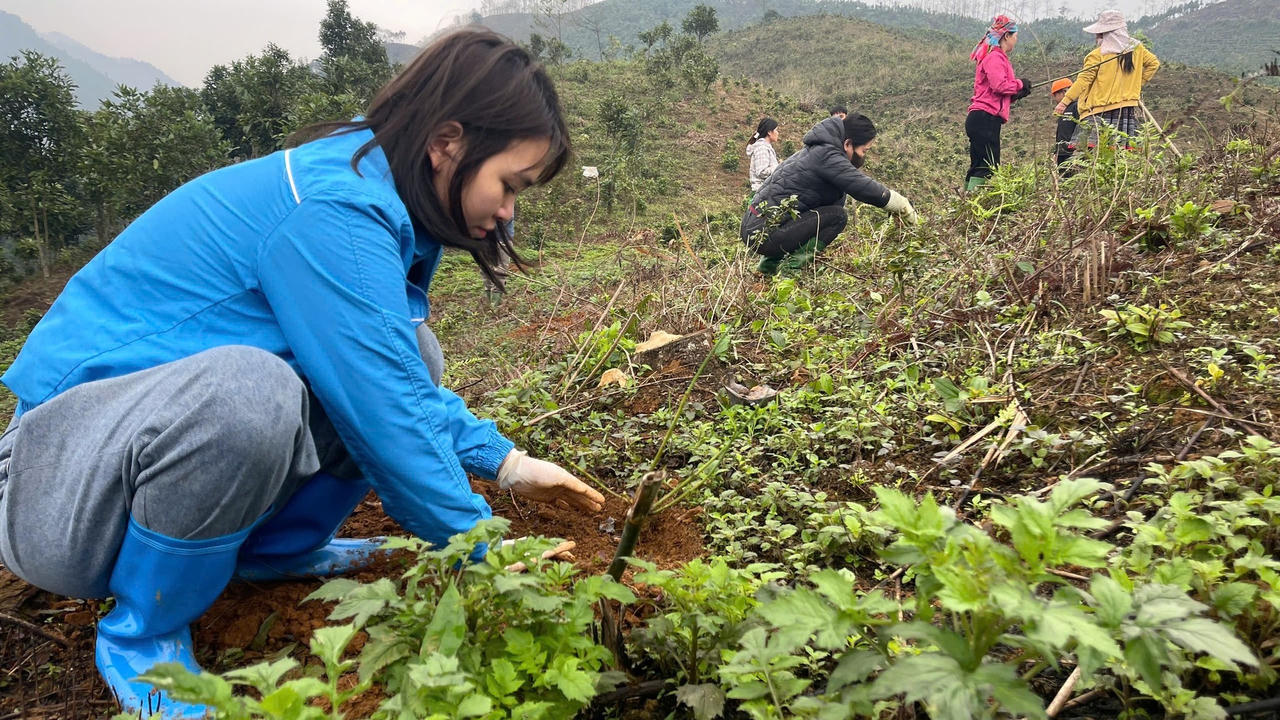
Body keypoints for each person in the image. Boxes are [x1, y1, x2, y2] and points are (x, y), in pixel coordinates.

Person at [0, 29, 605, 719]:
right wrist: (480, 551)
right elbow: (384, 412)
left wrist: (506, 463)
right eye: (510, 185)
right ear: (447, 143)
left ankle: (273, 551)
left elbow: (387, 375)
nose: (507, 212)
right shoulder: (332, 210)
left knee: (413, 353)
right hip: (56, 491)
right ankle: (143, 633)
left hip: (125, 469)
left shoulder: (368, 193)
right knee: (248, 392)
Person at [740, 113, 919, 275]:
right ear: (847, 144)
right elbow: (862, 187)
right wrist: (901, 204)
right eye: (863, 151)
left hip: (756, 229)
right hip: (762, 234)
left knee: (832, 203)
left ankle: (767, 268)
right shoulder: (827, 156)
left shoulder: (818, 150)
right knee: (838, 216)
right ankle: (790, 268)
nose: (863, 156)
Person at [1053, 10, 1159, 150]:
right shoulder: (1136, 49)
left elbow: (1083, 80)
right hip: (1126, 109)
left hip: (1099, 111)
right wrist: (1135, 86)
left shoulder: (1097, 55)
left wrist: (1064, 102)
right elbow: (1153, 64)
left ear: (1104, 34)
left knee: (1092, 155)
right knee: (1118, 154)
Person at [964, 14, 1032, 191]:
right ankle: (975, 201)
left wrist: (1017, 93)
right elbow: (999, 85)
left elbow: (996, 93)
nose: (1016, 40)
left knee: (979, 164)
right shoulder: (995, 57)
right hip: (985, 118)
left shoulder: (995, 57)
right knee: (988, 166)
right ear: (1007, 36)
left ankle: (967, 200)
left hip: (982, 119)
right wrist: (1020, 84)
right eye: (1015, 36)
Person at [747, 117, 780, 192]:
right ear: (769, 132)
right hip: (762, 191)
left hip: (765, 190)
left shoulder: (765, 147)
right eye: (776, 130)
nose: (778, 133)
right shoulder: (762, 148)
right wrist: (778, 168)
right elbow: (761, 172)